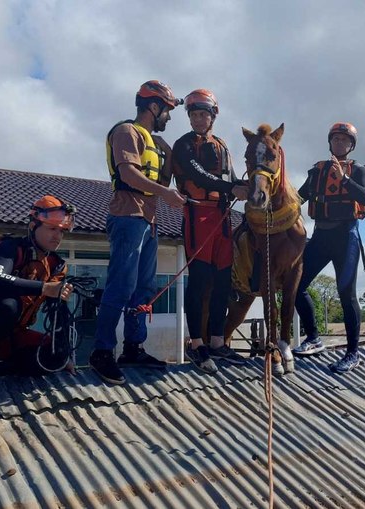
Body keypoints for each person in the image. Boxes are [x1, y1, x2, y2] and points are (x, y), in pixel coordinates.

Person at [90, 80, 186, 385]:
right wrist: (165, 193)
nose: (169, 118)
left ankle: (133, 347)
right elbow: (129, 173)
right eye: (168, 111)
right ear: (153, 107)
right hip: (127, 217)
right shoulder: (126, 132)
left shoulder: (157, 144)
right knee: (122, 284)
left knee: (143, 288)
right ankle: (102, 351)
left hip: (149, 221)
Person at [0, 195, 77, 396]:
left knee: (55, 358)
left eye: (62, 231)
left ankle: (1, 370)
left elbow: (57, 311)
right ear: (34, 225)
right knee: (8, 303)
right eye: (52, 229)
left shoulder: (56, 265)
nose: (58, 236)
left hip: (12, 334)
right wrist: (44, 287)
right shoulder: (10, 248)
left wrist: (64, 355)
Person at [171, 89, 248, 374]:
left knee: (222, 282)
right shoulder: (184, 145)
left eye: (204, 114)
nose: (198, 119)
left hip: (223, 216)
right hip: (198, 215)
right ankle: (196, 344)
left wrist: (248, 185)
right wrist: (231, 188)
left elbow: (230, 178)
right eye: (194, 115)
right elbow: (196, 175)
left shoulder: (222, 145)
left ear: (213, 116)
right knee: (200, 281)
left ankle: (218, 342)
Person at [293, 122, 365, 373]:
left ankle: (352, 353)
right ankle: (314, 339)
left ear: (351, 146)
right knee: (295, 285)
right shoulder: (317, 170)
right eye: (336, 140)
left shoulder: (358, 170)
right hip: (321, 237)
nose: (339, 144)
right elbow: (298, 198)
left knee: (347, 296)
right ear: (330, 143)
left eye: (344, 140)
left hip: (346, 237)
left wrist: (344, 178)